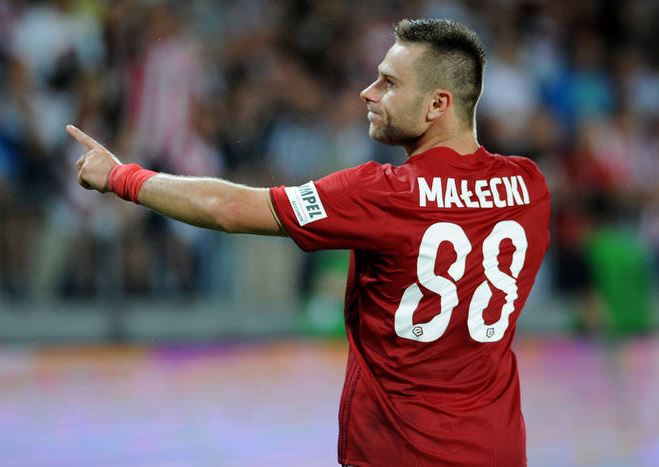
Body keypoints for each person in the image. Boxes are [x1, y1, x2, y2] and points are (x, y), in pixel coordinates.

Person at [70, 18, 550, 467]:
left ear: (437, 105)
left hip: (401, 453)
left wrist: (121, 177)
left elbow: (228, 208)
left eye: (389, 83)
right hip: (499, 450)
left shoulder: (382, 192)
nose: (368, 92)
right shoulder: (529, 187)